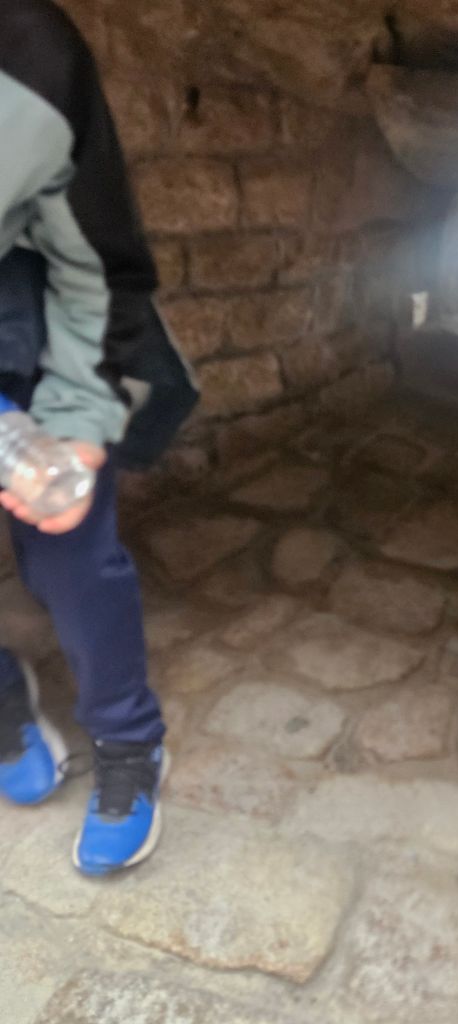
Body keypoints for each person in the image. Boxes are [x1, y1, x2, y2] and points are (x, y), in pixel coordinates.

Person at [0, 0, 198, 875]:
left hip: (21, 321)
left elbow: (98, 263)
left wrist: (80, 421)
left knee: (71, 552)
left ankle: (128, 740)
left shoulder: (31, 62)